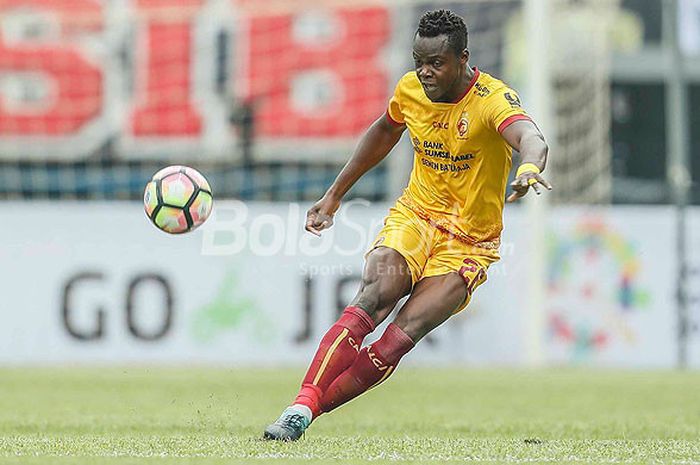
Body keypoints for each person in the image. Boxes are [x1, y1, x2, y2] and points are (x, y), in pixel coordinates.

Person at [263, 8, 551, 441]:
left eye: (436, 63)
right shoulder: (410, 90)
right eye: (419, 61)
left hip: (470, 244)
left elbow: (531, 135)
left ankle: (307, 413)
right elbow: (383, 131)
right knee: (376, 295)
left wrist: (529, 166)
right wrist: (335, 194)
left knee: (400, 336)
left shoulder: (492, 99)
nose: (425, 72)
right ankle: (300, 404)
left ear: (463, 58)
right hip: (415, 217)